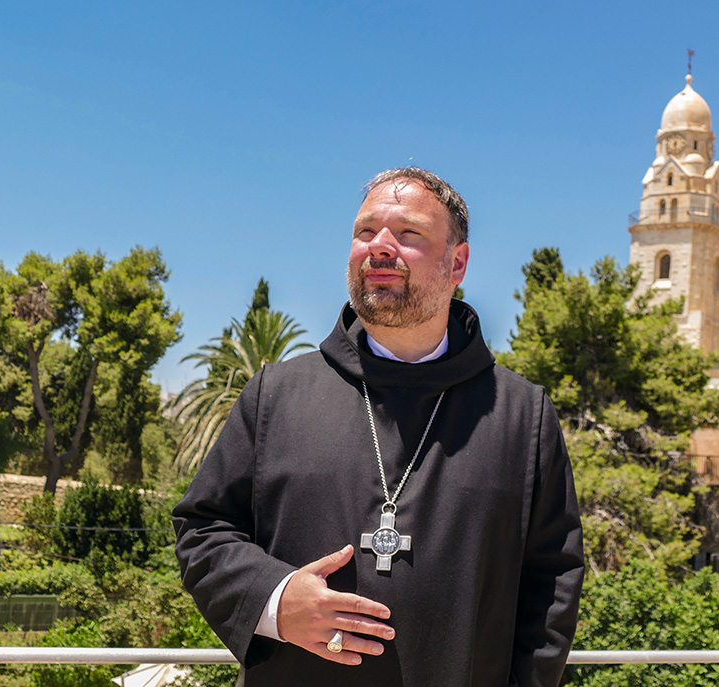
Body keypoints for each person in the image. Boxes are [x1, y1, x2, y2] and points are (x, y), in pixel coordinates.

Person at [173, 168, 584, 687]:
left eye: (408, 233)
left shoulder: (523, 416)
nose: (380, 247)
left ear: (456, 263)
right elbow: (202, 528)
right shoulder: (275, 395)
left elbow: (552, 583)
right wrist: (274, 599)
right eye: (366, 232)